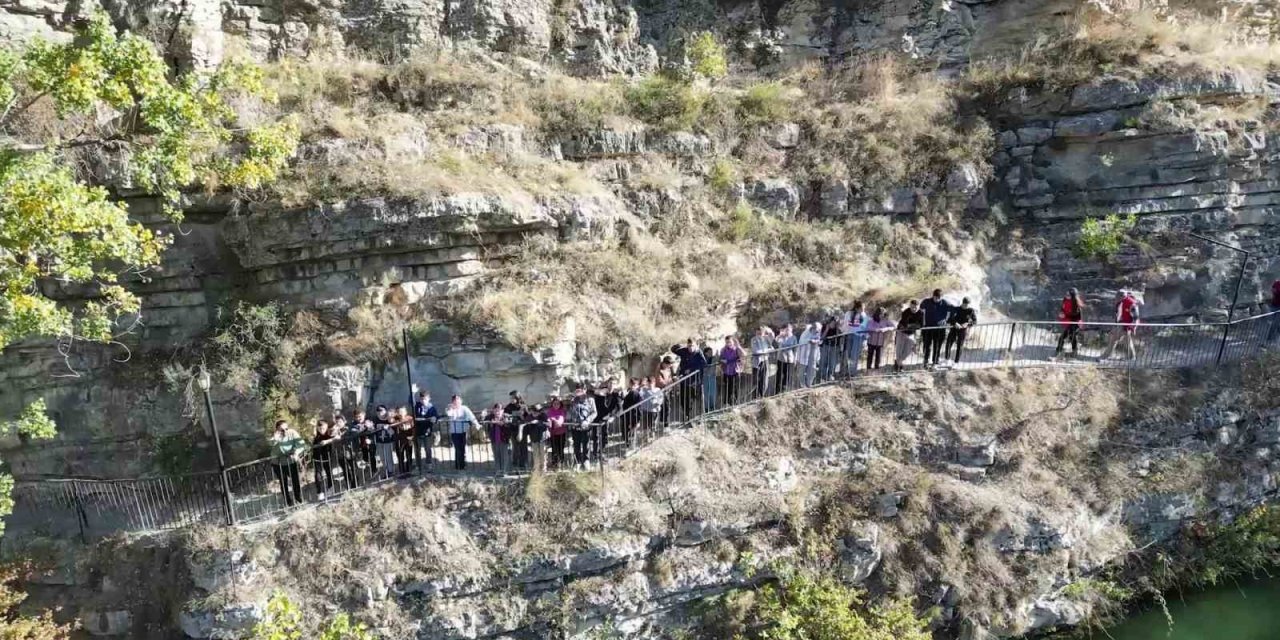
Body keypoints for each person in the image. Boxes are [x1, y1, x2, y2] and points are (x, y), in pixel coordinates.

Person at [269, 420, 305, 507]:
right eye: (281, 430)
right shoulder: (275, 437)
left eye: (286, 428)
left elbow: (301, 443)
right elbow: (272, 447)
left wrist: (296, 452)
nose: (285, 431)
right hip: (278, 463)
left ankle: (298, 499)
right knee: (283, 482)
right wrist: (276, 439)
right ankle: (288, 501)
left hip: (291, 461)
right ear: (277, 429)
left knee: (295, 481)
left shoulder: (292, 432)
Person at [445, 395, 481, 470]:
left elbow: (471, 416)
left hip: (463, 431)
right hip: (454, 432)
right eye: (455, 401)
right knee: (458, 448)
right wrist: (452, 408)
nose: (457, 403)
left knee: (463, 448)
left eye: (458, 401)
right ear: (453, 402)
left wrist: (476, 424)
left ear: (461, 401)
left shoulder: (464, 408)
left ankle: (463, 464)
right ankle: (458, 465)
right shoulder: (450, 408)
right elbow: (448, 414)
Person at [1104, 290, 1141, 361]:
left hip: (1125, 325)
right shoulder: (1120, 302)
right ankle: (1132, 357)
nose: (1116, 298)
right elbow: (1118, 313)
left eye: (1117, 296)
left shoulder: (1131, 303)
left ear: (1122, 296)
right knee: (1127, 341)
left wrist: (1134, 327)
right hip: (1121, 324)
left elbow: (1136, 317)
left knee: (1113, 339)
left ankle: (1105, 356)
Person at [920, 289, 951, 368]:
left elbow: (953, 311)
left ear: (941, 297)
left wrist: (946, 320)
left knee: (937, 346)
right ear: (933, 295)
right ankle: (925, 361)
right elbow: (921, 311)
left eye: (938, 298)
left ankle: (935, 362)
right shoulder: (926, 302)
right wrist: (922, 323)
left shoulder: (945, 303)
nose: (936, 299)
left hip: (939, 329)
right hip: (928, 328)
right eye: (935, 297)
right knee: (927, 345)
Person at [569, 386, 597, 470]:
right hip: (575, 426)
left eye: (581, 389)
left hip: (586, 426)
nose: (579, 391)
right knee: (576, 444)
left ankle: (586, 460)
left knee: (586, 444)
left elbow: (594, 412)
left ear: (585, 390)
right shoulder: (574, 400)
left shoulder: (590, 400)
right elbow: (571, 411)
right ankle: (577, 462)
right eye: (577, 390)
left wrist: (588, 420)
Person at [593, 379, 621, 460]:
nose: (611, 385)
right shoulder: (600, 392)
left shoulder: (616, 395)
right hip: (597, 418)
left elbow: (619, 409)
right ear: (607, 384)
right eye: (610, 383)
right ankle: (595, 454)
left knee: (604, 436)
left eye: (613, 384)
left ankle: (602, 453)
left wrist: (612, 416)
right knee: (596, 436)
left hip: (607, 419)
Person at [894, 300, 924, 372]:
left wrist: (913, 325)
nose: (914, 309)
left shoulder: (921, 313)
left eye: (915, 308)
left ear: (918, 307)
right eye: (912, 307)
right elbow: (905, 325)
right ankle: (899, 367)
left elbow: (922, 325)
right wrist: (915, 325)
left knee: (908, 350)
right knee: (899, 350)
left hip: (911, 333)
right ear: (910, 306)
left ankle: (898, 362)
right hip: (901, 332)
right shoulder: (906, 312)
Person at [1055, 288, 1085, 359]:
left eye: (1069, 294)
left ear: (1073, 295)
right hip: (1069, 322)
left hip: (1074, 323)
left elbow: (1077, 315)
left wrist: (1079, 323)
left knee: (1069, 337)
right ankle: (1061, 351)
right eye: (1066, 294)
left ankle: (1066, 351)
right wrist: (1062, 314)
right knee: (1070, 337)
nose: (1067, 295)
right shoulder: (1065, 300)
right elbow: (1063, 309)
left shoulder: (1076, 303)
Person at [945, 297, 977, 364]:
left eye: (967, 304)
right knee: (948, 343)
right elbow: (949, 319)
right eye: (965, 304)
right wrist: (955, 323)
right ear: (962, 303)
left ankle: (956, 362)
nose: (966, 306)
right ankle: (946, 360)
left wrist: (967, 324)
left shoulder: (971, 310)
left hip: (962, 330)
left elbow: (975, 321)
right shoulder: (956, 309)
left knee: (960, 346)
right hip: (954, 328)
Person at [311, 420, 338, 499]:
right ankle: (319, 492)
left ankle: (330, 488)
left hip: (327, 456)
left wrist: (327, 441)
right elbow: (313, 436)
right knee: (317, 475)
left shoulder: (329, 433)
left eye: (323, 428)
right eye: (320, 429)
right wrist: (313, 426)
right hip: (317, 457)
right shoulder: (316, 434)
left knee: (329, 473)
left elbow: (336, 437)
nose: (321, 430)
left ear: (326, 427)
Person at [413, 391, 438, 473]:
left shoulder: (432, 407)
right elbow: (411, 402)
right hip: (418, 431)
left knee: (428, 449)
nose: (423, 400)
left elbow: (435, 417)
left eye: (425, 399)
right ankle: (418, 465)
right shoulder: (417, 406)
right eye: (422, 399)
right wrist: (413, 393)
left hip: (427, 431)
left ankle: (429, 464)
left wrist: (434, 418)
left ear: (429, 399)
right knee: (417, 450)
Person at [842, 302, 869, 377]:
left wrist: (865, 337)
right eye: (861, 308)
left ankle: (852, 372)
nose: (863, 310)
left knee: (854, 355)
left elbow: (864, 326)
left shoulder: (863, 315)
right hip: (849, 335)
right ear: (857, 308)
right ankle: (844, 371)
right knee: (847, 354)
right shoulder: (849, 313)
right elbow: (845, 324)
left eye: (863, 309)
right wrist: (844, 332)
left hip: (858, 336)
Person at [750, 326, 775, 398]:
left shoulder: (766, 338)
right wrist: (767, 350)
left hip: (765, 360)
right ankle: (755, 397)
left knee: (764, 380)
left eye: (761, 333)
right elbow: (756, 351)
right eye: (758, 333)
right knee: (756, 380)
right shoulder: (753, 340)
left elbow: (772, 337)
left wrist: (767, 329)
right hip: (757, 363)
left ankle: (762, 396)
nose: (760, 334)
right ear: (756, 333)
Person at [372, 406, 397, 479]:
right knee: (382, 457)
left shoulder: (389, 420)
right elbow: (373, 429)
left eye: (382, 411)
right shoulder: (375, 420)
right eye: (378, 411)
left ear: (385, 411)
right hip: (379, 441)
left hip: (388, 441)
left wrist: (388, 427)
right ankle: (386, 471)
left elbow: (393, 432)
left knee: (388, 456)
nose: (380, 413)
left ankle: (391, 471)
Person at [505, 391, 528, 470]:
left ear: (517, 398)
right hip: (513, 428)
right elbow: (505, 415)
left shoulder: (523, 406)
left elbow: (527, 418)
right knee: (515, 446)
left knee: (523, 446)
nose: (511, 399)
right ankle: (515, 463)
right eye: (510, 398)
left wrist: (521, 415)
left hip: (522, 428)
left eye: (512, 398)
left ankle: (524, 463)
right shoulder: (508, 407)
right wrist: (508, 416)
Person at [523, 404, 549, 473]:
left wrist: (538, 422)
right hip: (533, 437)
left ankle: (543, 468)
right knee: (535, 454)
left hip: (542, 437)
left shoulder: (543, 416)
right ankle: (536, 468)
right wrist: (528, 424)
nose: (535, 412)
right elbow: (525, 425)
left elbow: (549, 424)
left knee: (543, 453)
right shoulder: (529, 417)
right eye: (534, 410)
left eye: (537, 411)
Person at [719, 336, 745, 405]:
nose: (728, 343)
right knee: (727, 388)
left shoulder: (736, 349)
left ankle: (735, 403)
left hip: (735, 371)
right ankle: (727, 403)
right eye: (727, 342)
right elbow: (721, 359)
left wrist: (738, 345)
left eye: (729, 342)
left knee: (734, 388)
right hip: (726, 372)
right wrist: (723, 361)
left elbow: (743, 355)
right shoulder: (724, 350)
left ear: (733, 341)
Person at [488, 404, 511, 476]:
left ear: (502, 411)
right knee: (496, 456)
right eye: (495, 410)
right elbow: (483, 420)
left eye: (499, 410)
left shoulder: (506, 417)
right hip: (494, 440)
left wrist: (500, 423)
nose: (497, 412)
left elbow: (508, 425)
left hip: (503, 440)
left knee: (504, 456)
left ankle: (504, 471)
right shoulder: (491, 417)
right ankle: (498, 470)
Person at [774, 324, 797, 392]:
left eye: (789, 330)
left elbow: (795, 349)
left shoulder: (794, 337)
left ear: (791, 330)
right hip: (781, 359)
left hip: (790, 359)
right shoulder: (781, 337)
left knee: (788, 375)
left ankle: (785, 389)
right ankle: (777, 390)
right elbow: (777, 340)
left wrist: (795, 359)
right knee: (779, 375)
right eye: (786, 329)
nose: (788, 331)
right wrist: (781, 335)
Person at [547, 397, 568, 469]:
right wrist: (554, 420)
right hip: (553, 433)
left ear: (560, 404)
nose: (556, 405)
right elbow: (548, 419)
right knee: (554, 449)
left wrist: (554, 420)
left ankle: (561, 463)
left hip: (561, 432)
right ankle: (555, 464)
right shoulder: (550, 411)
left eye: (558, 404)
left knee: (561, 449)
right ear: (552, 404)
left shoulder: (562, 411)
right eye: (554, 403)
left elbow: (561, 421)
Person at [393, 406, 415, 475]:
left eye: (402, 411)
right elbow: (391, 421)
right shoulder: (395, 419)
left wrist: (412, 437)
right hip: (399, 440)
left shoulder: (410, 418)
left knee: (409, 455)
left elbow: (413, 428)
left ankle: (409, 469)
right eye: (400, 412)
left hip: (408, 439)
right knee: (400, 455)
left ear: (406, 412)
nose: (401, 413)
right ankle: (402, 470)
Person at [640, 377, 663, 441]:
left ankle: (652, 434)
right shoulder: (644, 390)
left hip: (654, 410)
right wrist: (641, 385)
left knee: (653, 423)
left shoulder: (658, 390)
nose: (650, 384)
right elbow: (640, 395)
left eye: (652, 383)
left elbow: (661, 399)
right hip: (645, 409)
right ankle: (645, 437)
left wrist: (658, 403)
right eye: (649, 383)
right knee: (645, 423)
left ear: (654, 383)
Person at [819, 317, 841, 381]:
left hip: (834, 346)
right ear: (830, 322)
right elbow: (822, 337)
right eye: (832, 322)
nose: (833, 324)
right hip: (826, 346)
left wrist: (837, 328)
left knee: (832, 362)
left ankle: (830, 375)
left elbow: (838, 336)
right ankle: (822, 376)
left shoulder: (837, 328)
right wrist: (827, 329)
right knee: (824, 361)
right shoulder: (825, 326)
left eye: (835, 323)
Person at [701, 346, 718, 413]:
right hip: (705, 378)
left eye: (711, 352)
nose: (711, 353)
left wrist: (717, 355)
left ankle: (712, 407)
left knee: (712, 393)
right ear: (705, 353)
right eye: (709, 352)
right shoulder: (703, 359)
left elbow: (719, 359)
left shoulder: (713, 358)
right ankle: (706, 408)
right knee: (706, 394)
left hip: (712, 377)